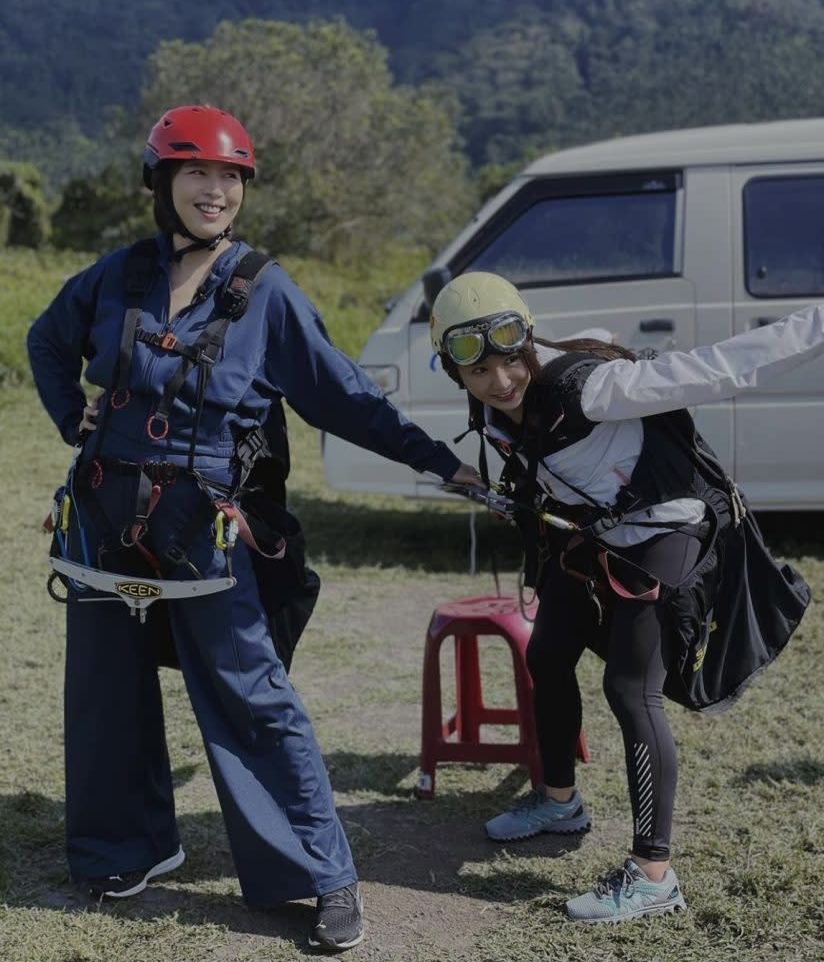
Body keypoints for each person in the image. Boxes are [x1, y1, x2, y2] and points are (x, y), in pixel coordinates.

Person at [27, 104, 480, 952]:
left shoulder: (263, 290)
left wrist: (438, 460)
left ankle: (317, 877)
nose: (216, 190)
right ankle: (127, 849)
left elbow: (343, 394)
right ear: (162, 183)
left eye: (231, 177)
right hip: (101, 518)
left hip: (205, 532)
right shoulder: (116, 277)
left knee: (252, 699)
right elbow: (47, 341)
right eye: (198, 173)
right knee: (104, 696)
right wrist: (69, 416)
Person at [429, 270, 814, 924]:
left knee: (629, 689)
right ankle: (558, 801)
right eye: (479, 372)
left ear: (527, 341)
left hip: (667, 530)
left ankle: (653, 875)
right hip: (592, 534)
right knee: (547, 653)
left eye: (509, 362)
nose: (500, 382)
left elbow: (725, 367)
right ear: (456, 374)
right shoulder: (493, 407)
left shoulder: (595, 388)